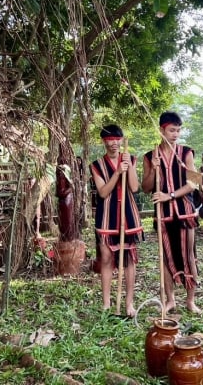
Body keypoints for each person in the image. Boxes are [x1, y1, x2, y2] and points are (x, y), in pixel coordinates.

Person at [141, 111, 202, 314]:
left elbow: (194, 183)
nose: (175, 134)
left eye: (178, 130)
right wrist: (153, 170)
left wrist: (171, 195)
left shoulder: (186, 153)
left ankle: (191, 300)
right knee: (166, 257)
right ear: (161, 130)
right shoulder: (150, 156)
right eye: (171, 130)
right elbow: (146, 187)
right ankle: (170, 300)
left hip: (185, 212)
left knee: (189, 256)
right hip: (163, 215)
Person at [90, 124, 143, 317]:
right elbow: (103, 192)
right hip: (107, 216)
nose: (114, 143)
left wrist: (128, 169)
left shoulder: (131, 159)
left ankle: (129, 304)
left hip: (128, 215)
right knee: (106, 258)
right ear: (104, 142)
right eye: (110, 140)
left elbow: (135, 187)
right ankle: (106, 303)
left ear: (122, 141)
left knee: (129, 260)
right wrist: (118, 172)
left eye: (117, 139)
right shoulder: (96, 165)